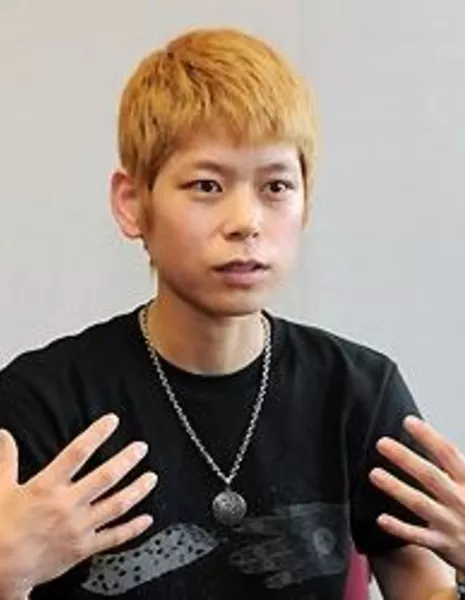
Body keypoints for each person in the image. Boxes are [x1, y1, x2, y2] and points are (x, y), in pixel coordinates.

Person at [0, 26, 464, 600]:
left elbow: (427, 587)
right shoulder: (44, 402)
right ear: (132, 204)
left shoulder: (357, 392)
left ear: (306, 202)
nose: (246, 222)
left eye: (276, 187)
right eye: (207, 185)